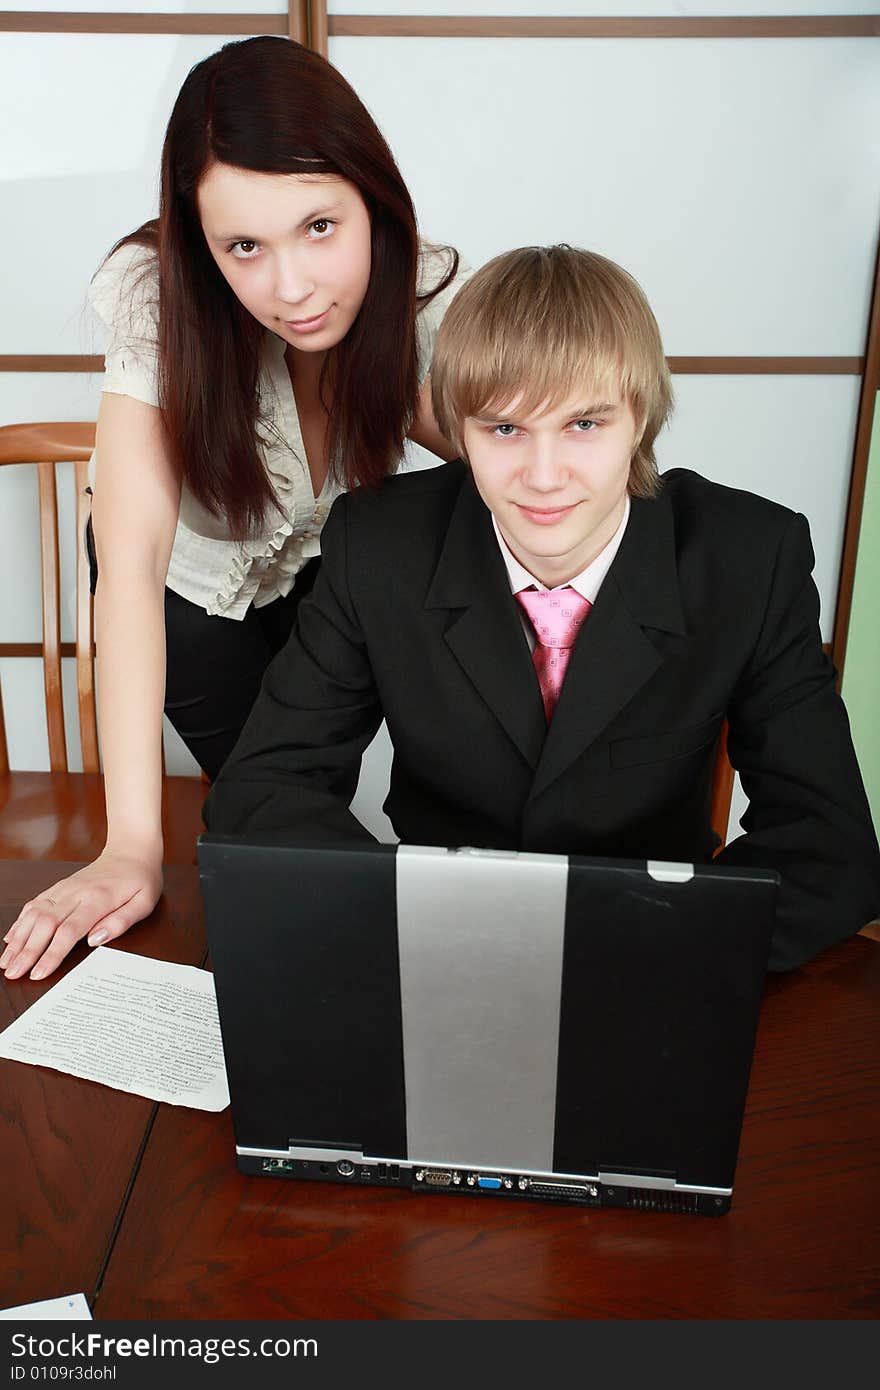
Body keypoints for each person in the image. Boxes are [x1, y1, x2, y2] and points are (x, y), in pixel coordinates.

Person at [201, 244, 880, 972]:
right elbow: (263, 791)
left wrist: (644, 949)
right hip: (438, 952)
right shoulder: (377, 545)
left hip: (651, 960)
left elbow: (828, 849)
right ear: (458, 428)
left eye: (584, 425)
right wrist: (404, 930)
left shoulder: (750, 558)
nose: (545, 477)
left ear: (640, 419)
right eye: (505, 429)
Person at [0, 35, 468, 983]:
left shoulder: (405, 291)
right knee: (267, 814)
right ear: (200, 242)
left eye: (319, 228)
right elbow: (127, 566)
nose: (290, 288)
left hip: (322, 582)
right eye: (243, 246)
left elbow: (494, 458)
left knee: (308, 819)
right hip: (191, 603)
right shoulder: (159, 301)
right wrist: (129, 843)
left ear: (371, 199)